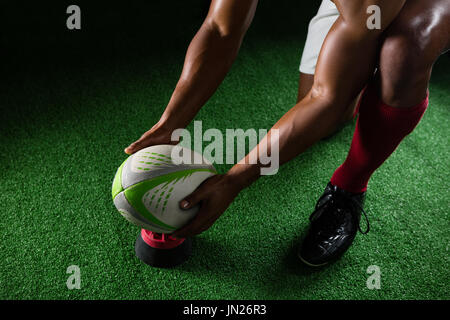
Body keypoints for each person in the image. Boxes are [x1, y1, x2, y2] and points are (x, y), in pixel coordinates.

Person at [125, 0, 450, 266]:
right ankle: (364, 54)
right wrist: (171, 122)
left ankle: (350, 186)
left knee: (403, 50)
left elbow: (325, 99)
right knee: (330, 116)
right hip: (360, 13)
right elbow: (221, 29)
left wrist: (234, 180)